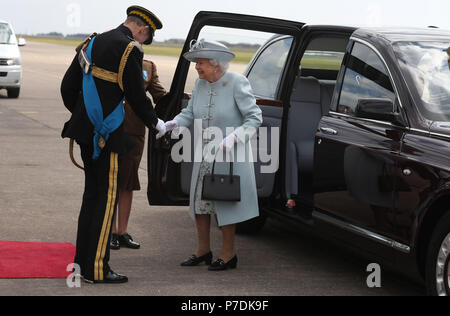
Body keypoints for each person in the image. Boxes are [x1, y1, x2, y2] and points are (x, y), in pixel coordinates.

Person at [60, 5, 166, 284]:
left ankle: (81, 264)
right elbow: (136, 95)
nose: (142, 42)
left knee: (90, 198)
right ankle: (97, 269)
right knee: (106, 202)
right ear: (142, 29)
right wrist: (157, 123)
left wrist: (85, 118)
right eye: (145, 37)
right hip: (109, 135)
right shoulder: (130, 49)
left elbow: (68, 87)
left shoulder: (93, 41)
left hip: (84, 132)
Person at [163, 39, 262, 271]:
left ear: (216, 64)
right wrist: (174, 123)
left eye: (201, 62)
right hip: (205, 154)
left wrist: (235, 137)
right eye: (197, 62)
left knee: (224, 203)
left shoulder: (237, 82)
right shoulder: (200, 84)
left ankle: (228, 255)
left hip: (229, 155)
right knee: (200, 203)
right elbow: (189, 112)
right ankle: (203, 251)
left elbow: (254, 117)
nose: (197, 67)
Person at [110, 59, 167, 250]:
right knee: (111, 182)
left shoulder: (148, 66)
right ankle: (107, 232)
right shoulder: (109, 56)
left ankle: (121, 231)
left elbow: (161, 95)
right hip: (109, 130)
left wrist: (186, 104)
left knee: (128, 182)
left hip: (134, 132)